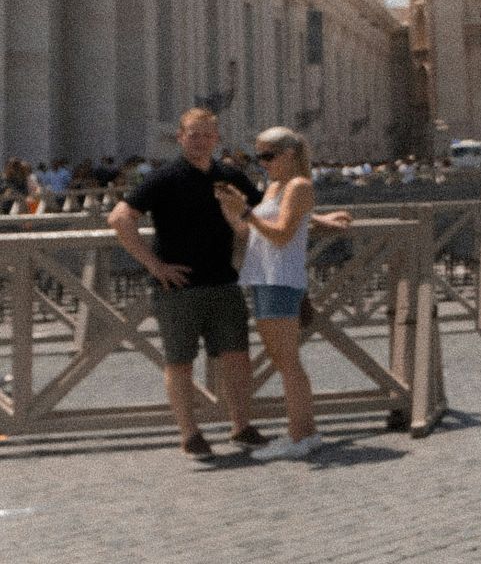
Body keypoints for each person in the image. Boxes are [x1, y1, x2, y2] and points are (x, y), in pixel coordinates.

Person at [106, 108, 268, 458]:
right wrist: (155, 265)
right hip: (177, 287)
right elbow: (119, 218)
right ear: (180, 137)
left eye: (207, 134)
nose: (200, 139)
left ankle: (241, 425)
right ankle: (189, 433)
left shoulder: (229, 176)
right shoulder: (164, 178)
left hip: (224, 281)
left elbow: (265, 214)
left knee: (237, 356)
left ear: (217, 138)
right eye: (193, 134)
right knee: (180, 361)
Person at [216, 126, 351, 459]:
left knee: (288, 363)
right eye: (257, 156)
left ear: (289, 155)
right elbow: (264, 227)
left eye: (267, 156)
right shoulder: (276, 186)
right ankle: (302, 432)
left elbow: (280, 233)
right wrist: (232, 211)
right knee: (283, 361)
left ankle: (301, 435)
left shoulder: (299, 185)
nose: (261, 163)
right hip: (263, 277)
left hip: (280, 279)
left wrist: (246, 211)